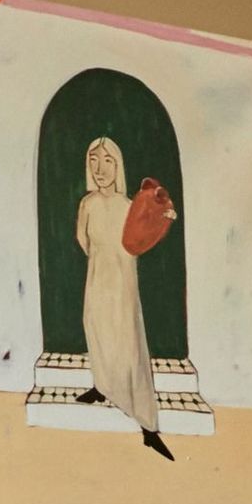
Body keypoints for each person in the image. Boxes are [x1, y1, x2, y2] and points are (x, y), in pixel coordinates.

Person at [74, 136, 172, 461]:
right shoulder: (87, 203)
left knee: (128, 344)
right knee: (98, 332)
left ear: (118, 165)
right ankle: (102, 387)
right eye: (93, 160)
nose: (100, 168)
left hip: (122, 282)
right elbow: (82, 239)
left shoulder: (129, 206)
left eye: (107, 160)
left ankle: (147, 425)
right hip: (96, 278)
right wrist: (99, 263)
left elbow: (140, 239)